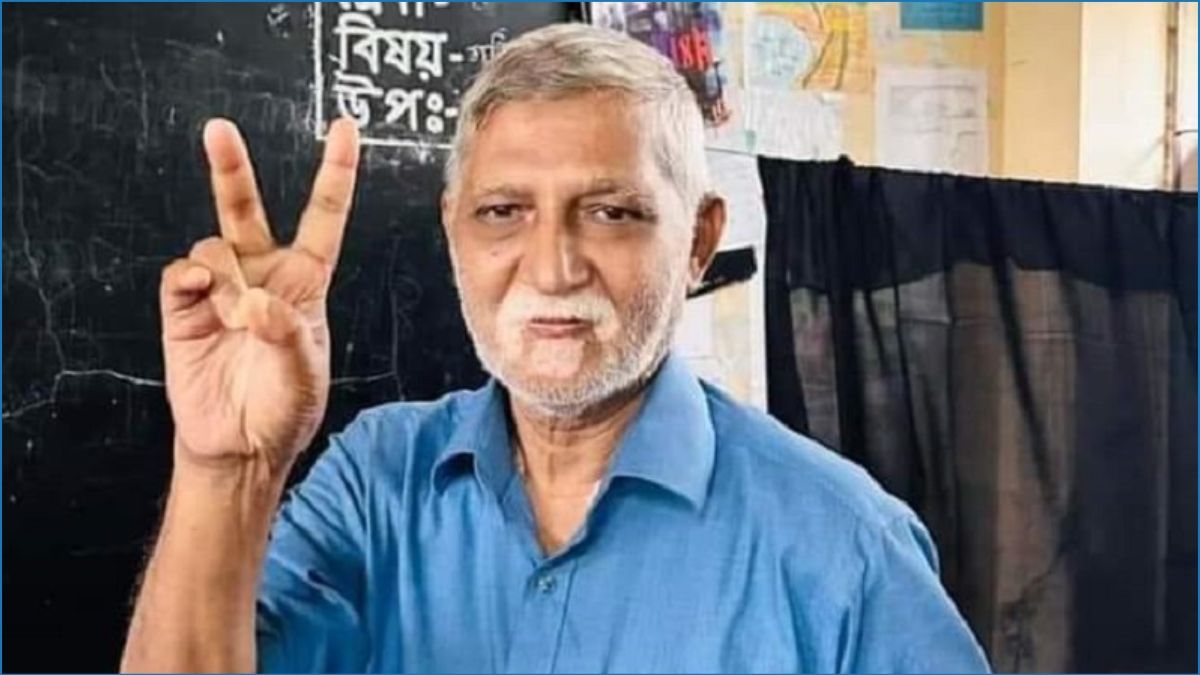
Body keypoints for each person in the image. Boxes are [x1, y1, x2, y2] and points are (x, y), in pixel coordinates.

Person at [120, 23, 990, 674]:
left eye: (610, 212)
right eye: (503, 212)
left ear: (697, 241)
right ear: (453, 231)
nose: (552, 266)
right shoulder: (377, 481)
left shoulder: (845, 547)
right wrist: (226, 468)